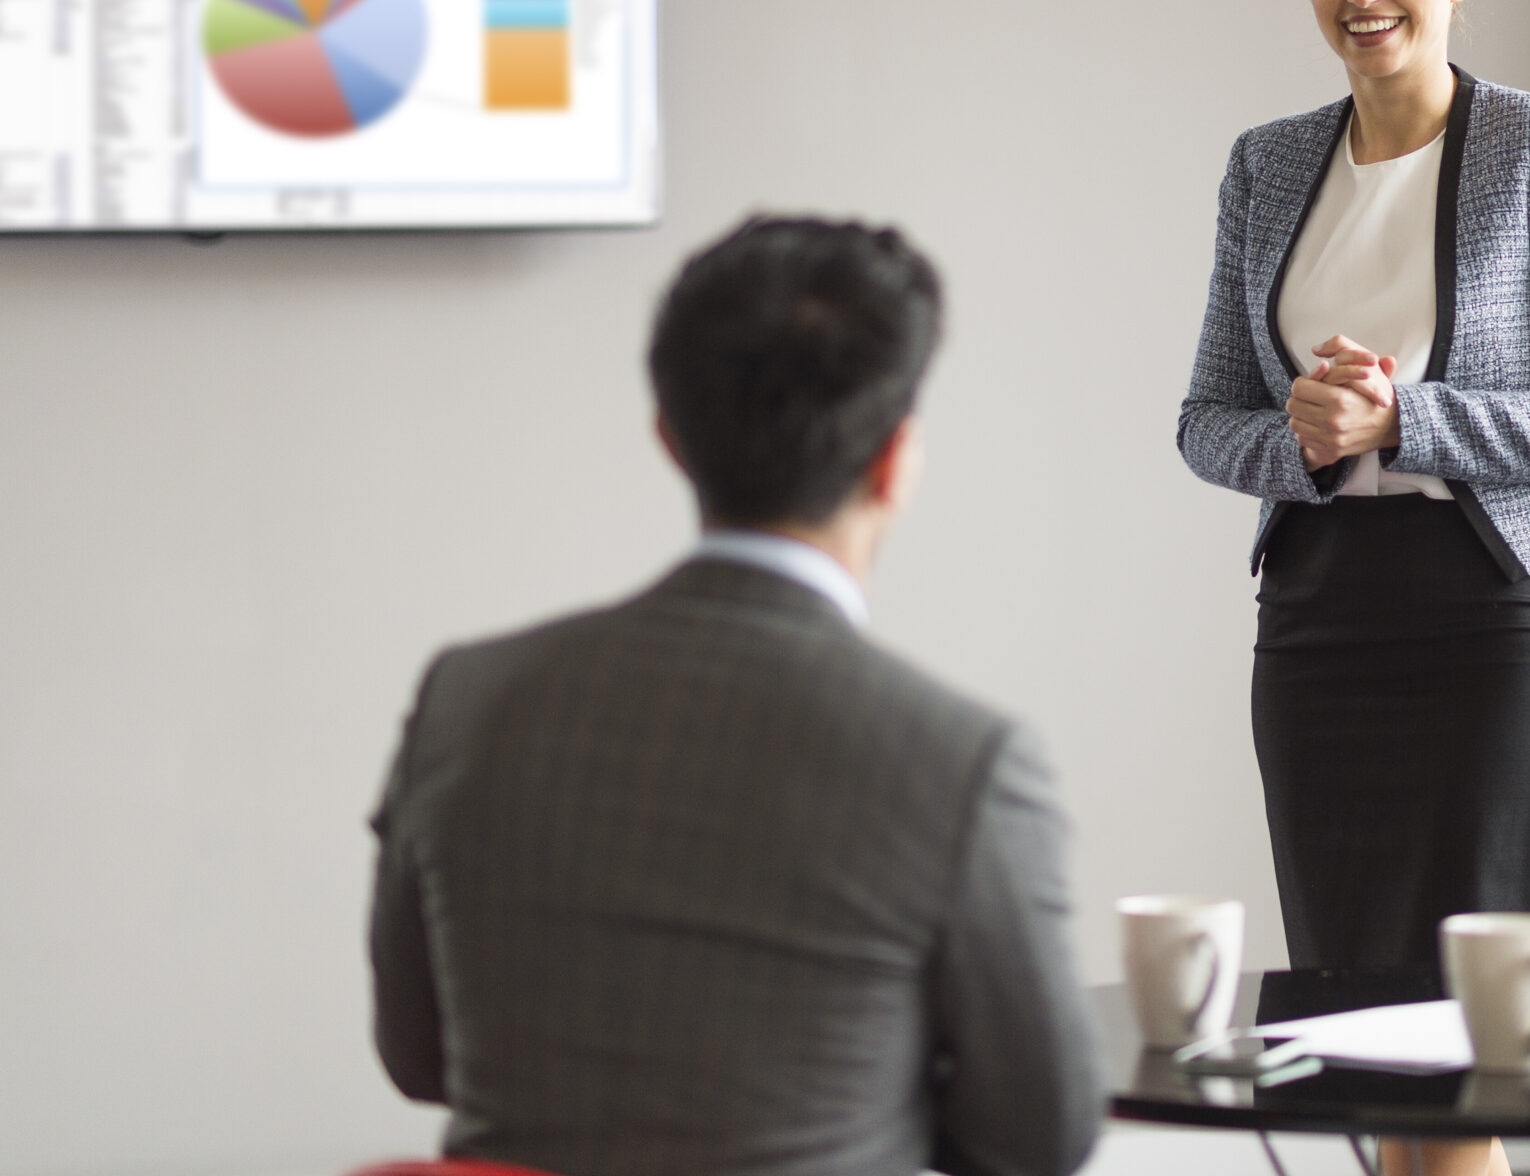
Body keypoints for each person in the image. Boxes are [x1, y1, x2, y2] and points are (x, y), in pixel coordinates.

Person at [368, 217, 1103, 1176]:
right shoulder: (968, 763)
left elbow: (421, 1058)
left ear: (670, 438)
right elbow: (1039, 1139)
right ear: (893, 461)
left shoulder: (464, 701)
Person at [1179, 0, 1530, 982]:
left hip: (1490, 621)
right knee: (1344, 1006)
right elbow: (1205, 420)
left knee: (1483, 1018)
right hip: (1315, 626)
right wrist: (1300, 443)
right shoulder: (1264, 164)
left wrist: (1406, 420)